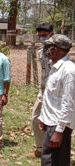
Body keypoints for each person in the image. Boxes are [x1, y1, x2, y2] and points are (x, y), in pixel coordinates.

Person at [39, 34, 75, 166]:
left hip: (58, 125)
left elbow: (68, 103)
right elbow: (51, 97)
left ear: (56, 49)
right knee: (48, 160)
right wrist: (43, 117)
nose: (45, 49)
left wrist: (59, 131)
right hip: (50, 122)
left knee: (55, 161)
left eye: (48, 46)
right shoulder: (54, 67)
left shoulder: (68, 70)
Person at [28, 23, 54, 158]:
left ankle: (54, 151)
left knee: (53, 123)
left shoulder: (57, 52)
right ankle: (40, 149)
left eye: (44, 35)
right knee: (35, 118)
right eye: (39, 36)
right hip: (43, 90)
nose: (41, 38)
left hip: (55, 93)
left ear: (51, 34)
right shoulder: (40, 51)